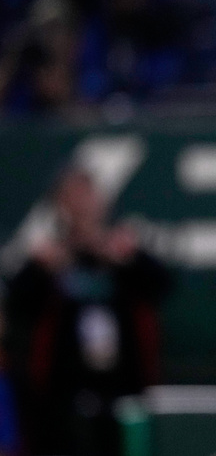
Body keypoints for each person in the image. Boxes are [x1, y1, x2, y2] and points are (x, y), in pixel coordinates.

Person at [3, 165, 171, 456]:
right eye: (73, 198)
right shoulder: (48, 257)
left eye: (88, 195)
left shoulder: (123, 251)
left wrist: (128, 259)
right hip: (61, 400)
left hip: (124, 392)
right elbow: (19, 307)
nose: (82, 206)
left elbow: (161, 286)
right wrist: (42, 269)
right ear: (59, 205)